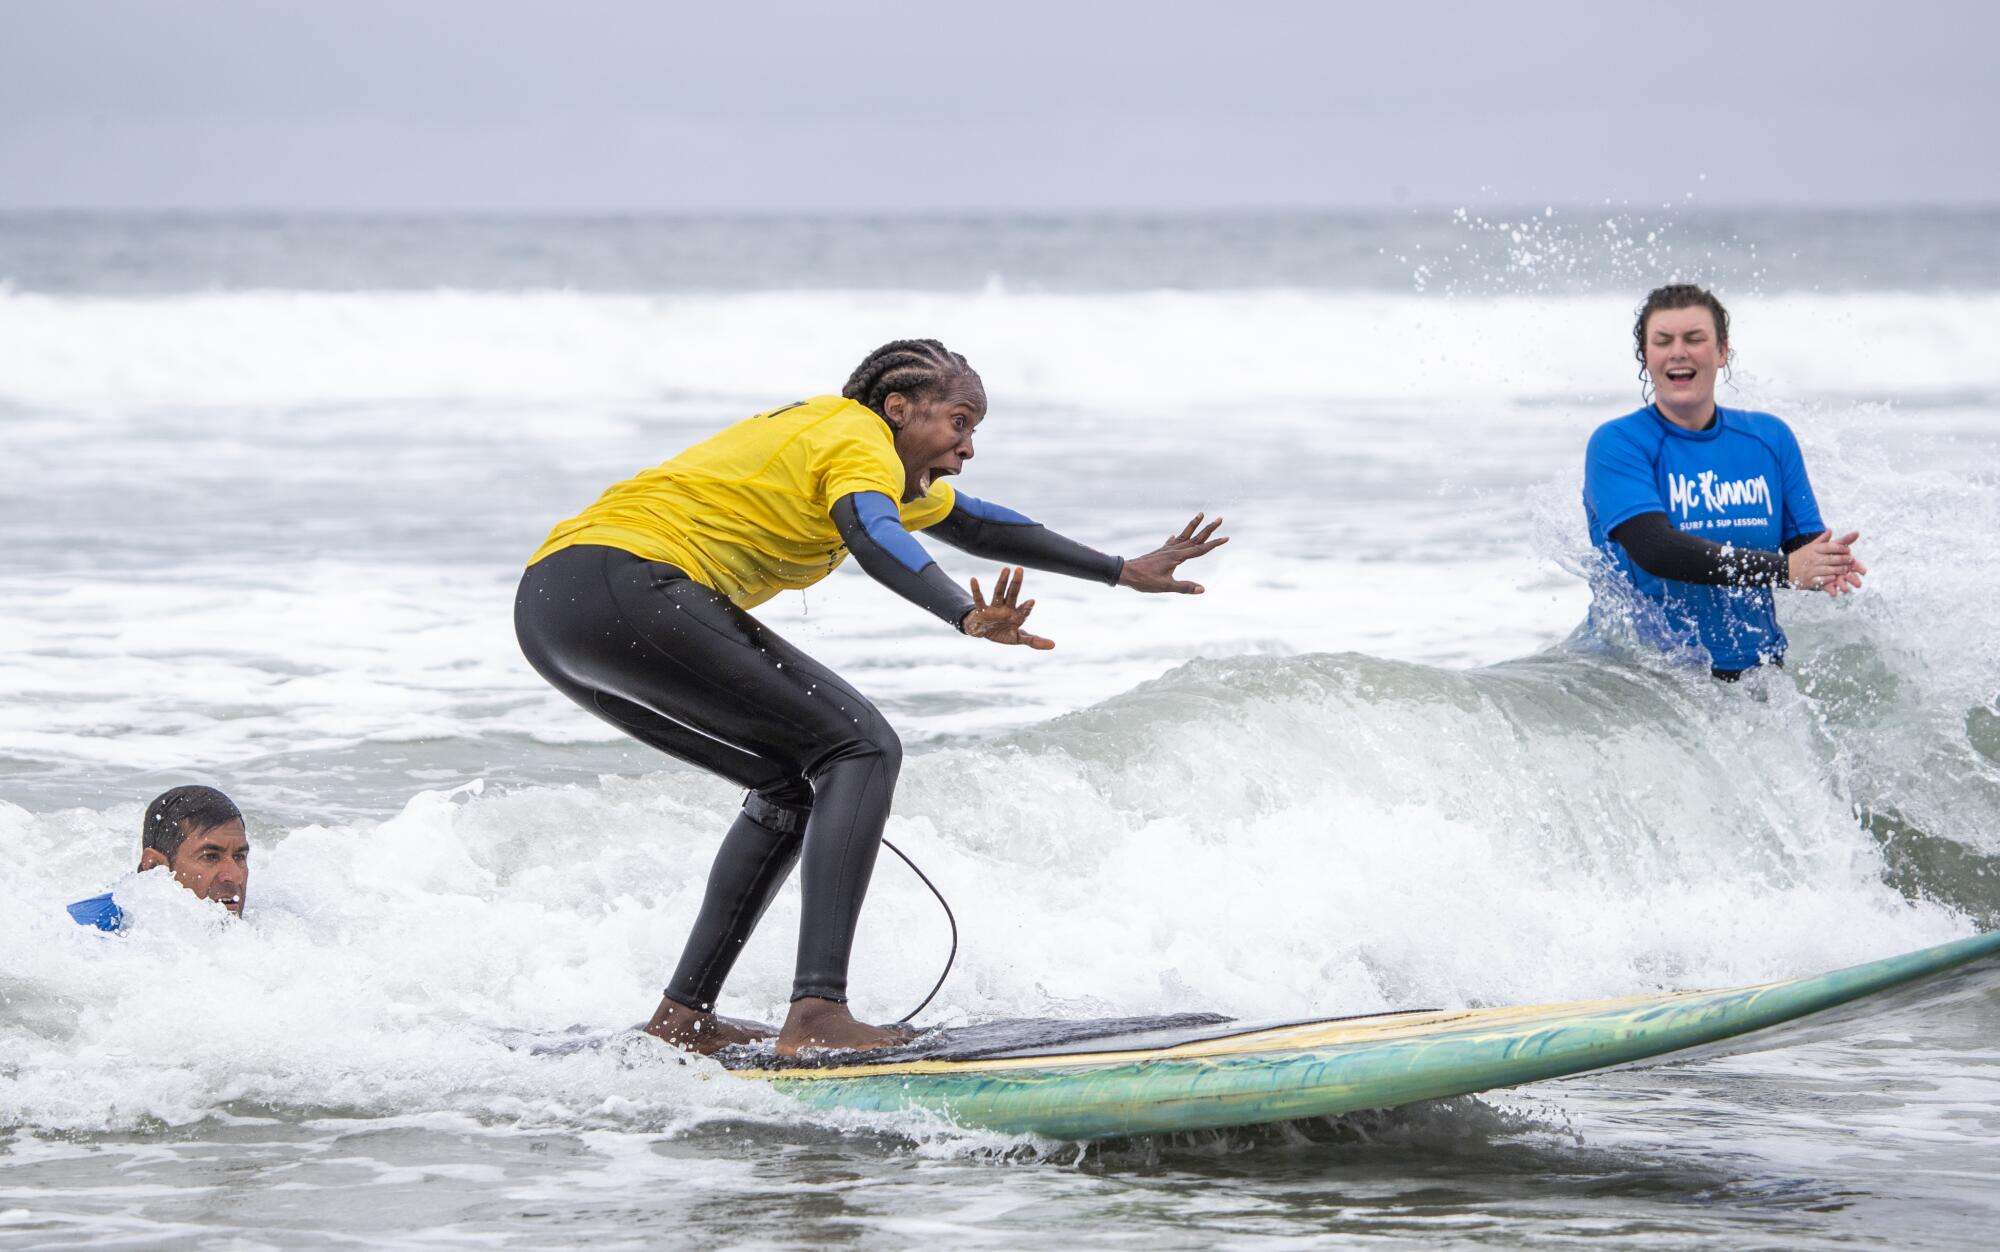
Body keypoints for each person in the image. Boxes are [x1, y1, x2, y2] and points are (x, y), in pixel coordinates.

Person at [515, 338, 1227, 1056]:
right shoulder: (858, 440)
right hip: (627, 582)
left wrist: (1121, 570)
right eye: (959, 423)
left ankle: (682, 1020)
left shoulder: (847, 452)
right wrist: (965, 614)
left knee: (790, 786)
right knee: (860, 746)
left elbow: (977, 523)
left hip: (555, 613)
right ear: (898, 408)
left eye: (974, 431)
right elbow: (871, 533)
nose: (967, 447)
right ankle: (818, 1015)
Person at [1582, 284, 1865, 680]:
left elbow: (1802, 548)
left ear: (1721, 352)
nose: (1678, 351)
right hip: (1650, 681)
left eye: (1694, 339)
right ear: (1646, 357)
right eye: (1663, 341)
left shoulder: (1768, 438)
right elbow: (1656, 549)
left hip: (1761, 677)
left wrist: (1826, 564)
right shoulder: (1619, 443)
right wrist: (1785, 570)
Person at [67, 785, 250, 930]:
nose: (235, 876)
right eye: (210, 857)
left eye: (239, 857)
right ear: (154, 866)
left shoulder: (269, 933)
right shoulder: (82, 932)